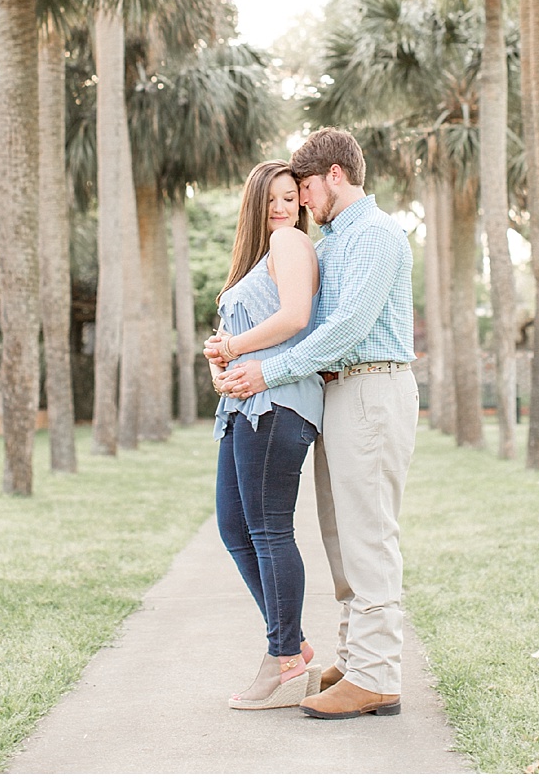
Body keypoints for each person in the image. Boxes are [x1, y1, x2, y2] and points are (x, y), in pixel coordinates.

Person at [214, 127, 417, 721]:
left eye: (304, 188)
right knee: (341, 536)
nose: (301, 202)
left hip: (373, 385)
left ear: (334, 176)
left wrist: (269, 372)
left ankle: (378, 677)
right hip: (341, 393)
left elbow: (348, 326)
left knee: (369, 534)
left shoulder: (376, 235)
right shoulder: (332, 243)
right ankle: (357, 663)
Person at [209, 160, 326, 710]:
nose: (282, 208)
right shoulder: (256, 259)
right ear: (255, 204)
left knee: (269, 530)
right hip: (243, 406)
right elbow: (231, 340)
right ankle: (295, 647)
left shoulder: (291, 245)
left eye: (291, 198)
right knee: (236, 528)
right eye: (272, 199)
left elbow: (296, 317)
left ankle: (283, 660)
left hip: (279, 404)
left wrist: (232, 350)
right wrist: (219, 359)